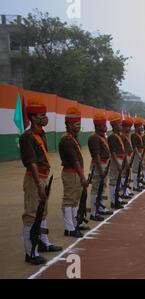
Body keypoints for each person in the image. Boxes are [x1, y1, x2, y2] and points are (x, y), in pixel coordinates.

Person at [19, 97, 63, 265]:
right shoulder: (27, 136)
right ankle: (30, 252)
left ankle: (43, 242)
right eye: (42, 115)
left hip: (43, 178)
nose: (45, 118)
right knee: (31, 214)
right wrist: (38, 184)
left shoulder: (40, 134)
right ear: (33, 117)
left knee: (42, 212)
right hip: (34, 179)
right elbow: (31, 162)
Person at [59, 107, 89, 238]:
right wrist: (82, 177)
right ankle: (69, 228)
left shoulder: (72, 138)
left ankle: (74, 223)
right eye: (76, 124)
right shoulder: (66, 139)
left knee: (74, 200)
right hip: (71, 173)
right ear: (69, 124)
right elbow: (74, 160)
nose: (78, 127)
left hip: (75, 173)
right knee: (68, 200)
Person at [88, 113, 112, 221]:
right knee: (96, 188)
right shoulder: (94, 138)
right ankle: (94, 212)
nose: (105, 126)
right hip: (99, 165)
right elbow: (96, 155)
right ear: (97, 126)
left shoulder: (101, 137)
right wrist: (100, 169)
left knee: (102, 188)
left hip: (104, 164)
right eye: (103, 125)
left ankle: (100, 207)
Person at [107, 113, 127, 210]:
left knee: (118, 180)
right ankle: (113, 201)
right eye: (119, 124)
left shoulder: (118, 135)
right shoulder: (112, 137)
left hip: (120, 159)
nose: (121, 126)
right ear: (114, 125)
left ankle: (117, 198)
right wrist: (118, 164)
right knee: (114, 180)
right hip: (116, 160)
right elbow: (113, 151)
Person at [120, 116, 134, 199]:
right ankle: (124, 191)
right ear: (124, 127)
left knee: (127, 174)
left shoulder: (126, 135)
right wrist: (125, 160)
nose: (129, 128)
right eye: (128, 127)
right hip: (124, 157)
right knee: (123, 174)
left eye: (130, 127)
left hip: (128, 156)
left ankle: (126, 189)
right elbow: (123, 149)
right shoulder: (122, 136)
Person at [131, 117, 145, 191]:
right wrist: (138, 155)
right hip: (137, 153)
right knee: (135, 169)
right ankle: (135, 186)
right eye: (140, 126)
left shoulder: (139, 135)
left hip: (140, 152)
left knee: (139, 169)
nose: (141, 127)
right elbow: (134, 146)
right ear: (136, 126)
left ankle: (138, 184)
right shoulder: (134, 135)